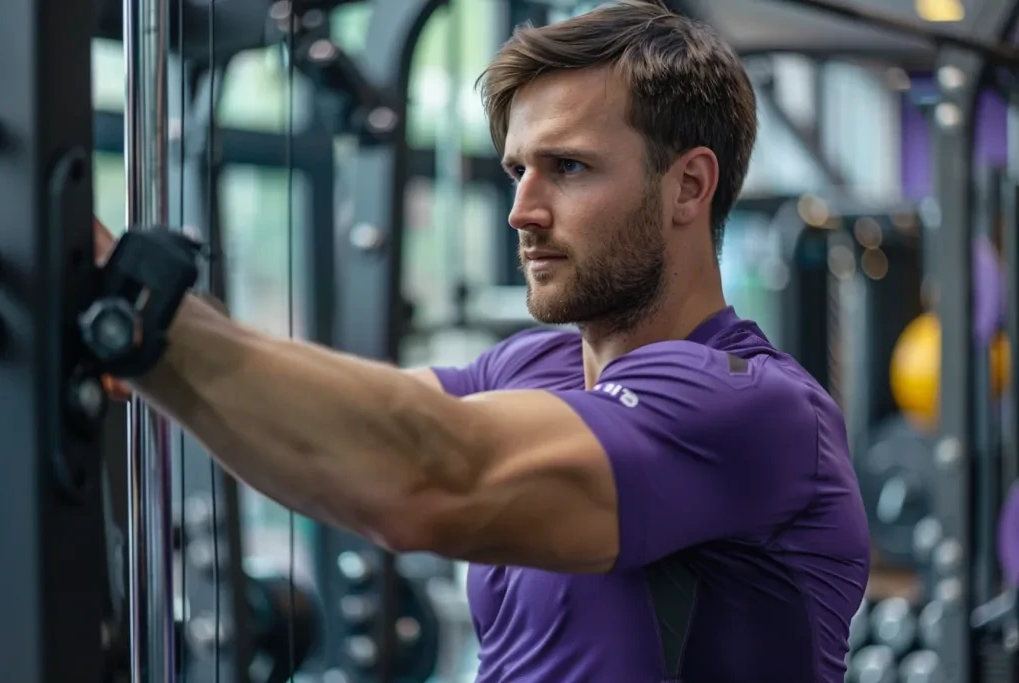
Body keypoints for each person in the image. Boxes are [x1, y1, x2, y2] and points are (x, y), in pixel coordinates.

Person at [96, 1, 870, 680]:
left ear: (689, 186)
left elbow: (426, 479)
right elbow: (351, 437)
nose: (521, 211)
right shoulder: (534, 365)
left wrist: (144, 317)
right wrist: (133, 332)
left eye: (567, 168)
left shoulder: (752, 408)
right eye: (517, 171)